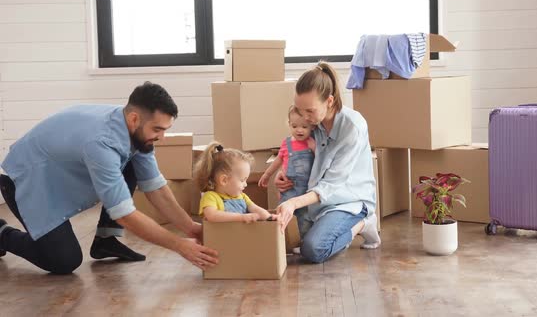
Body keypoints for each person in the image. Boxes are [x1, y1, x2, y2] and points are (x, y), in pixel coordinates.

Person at [0, 82, 218, 274]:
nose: (161, 137)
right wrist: (180, 245)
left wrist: (191, 228)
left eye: (165, 129)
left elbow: (155, 188)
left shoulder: (134, 129)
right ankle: (2, 233)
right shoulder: (101, 143)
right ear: (134, 118)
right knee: (64, 261)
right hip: (26, 178)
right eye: (157, 129)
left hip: (55, 171)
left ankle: (106, 239)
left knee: (132, 164)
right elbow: (124, 214)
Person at [275, 62, 381, 264]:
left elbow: (333, 183)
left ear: (329, 101)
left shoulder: (352, 127)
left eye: (310, 111)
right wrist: (283, 171)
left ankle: (363, 223)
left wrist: (294, 202)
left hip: (350, 200)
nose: (304, 117)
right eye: (299, 110)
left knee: (314, 249)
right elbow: (297, 147)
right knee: (294, 241)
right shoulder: (316, 123)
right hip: (319, 199)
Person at [259, 106, 316, 238]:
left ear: (312, 127)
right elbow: (279, 159)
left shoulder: (312, 142)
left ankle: (302, 240)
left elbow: (321, 162)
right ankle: (287, 240)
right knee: (285, 214)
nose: (299, 130)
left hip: (306, 189)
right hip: (289, 188)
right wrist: (267, 174)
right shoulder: (287, 143)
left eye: (304, 127)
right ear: (289, 125)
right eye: (295, 126)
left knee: (305, 217)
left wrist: (314, 149)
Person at [195, 142, 276, 222]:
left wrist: (269, 217)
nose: (246, 184)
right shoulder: (210, 197)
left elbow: (256, 209)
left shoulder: (242, 197)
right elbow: (212, 216)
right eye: (242, 180)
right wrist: (241, 217)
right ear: (224, 180)